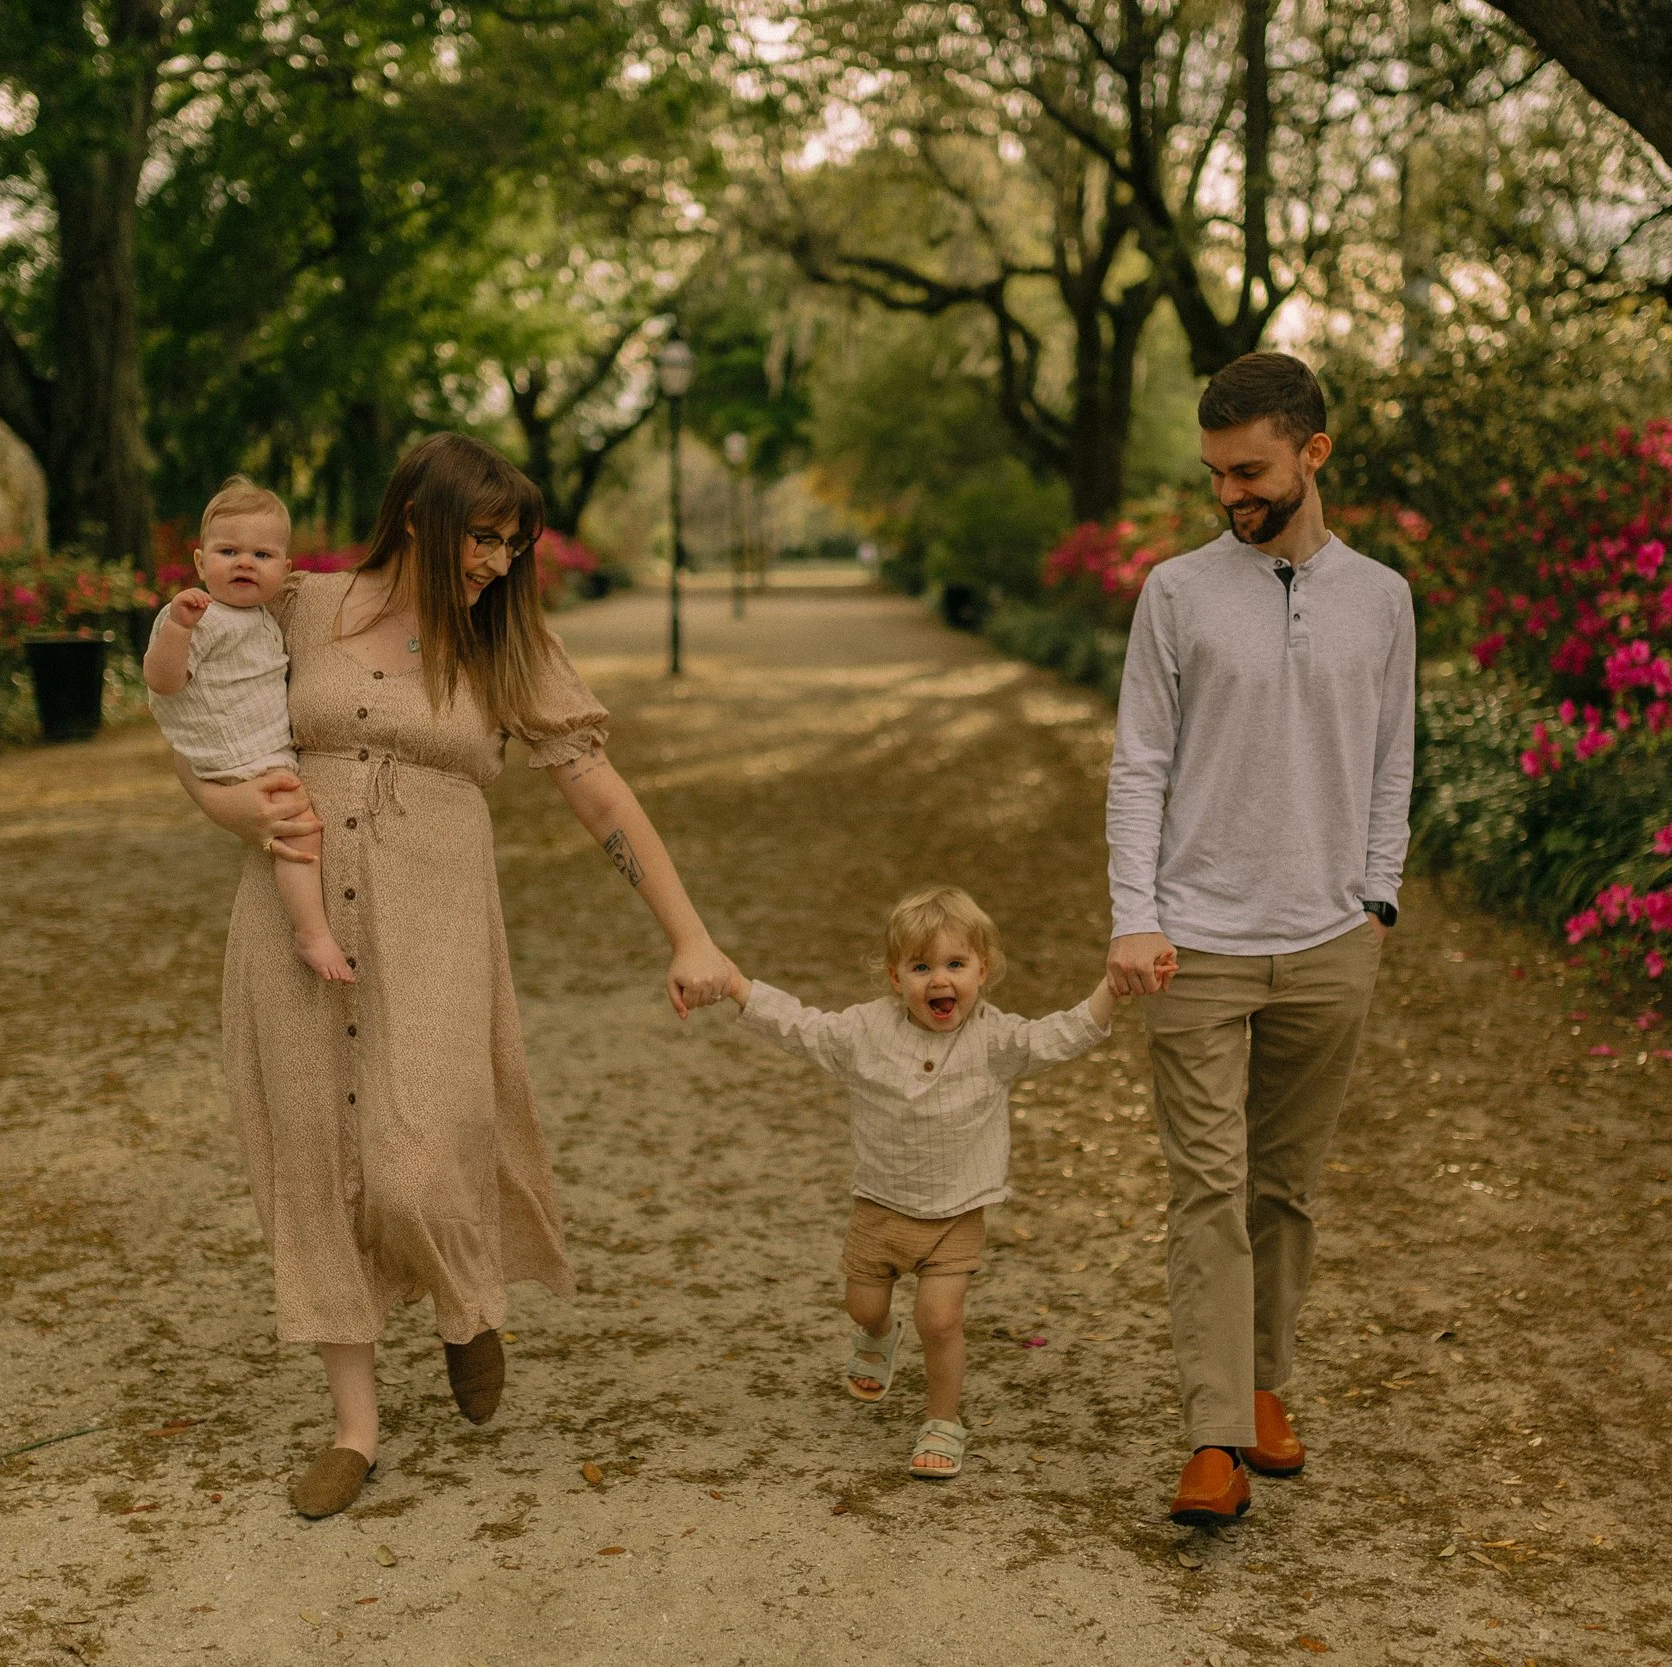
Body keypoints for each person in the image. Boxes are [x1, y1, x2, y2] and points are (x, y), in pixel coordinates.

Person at [177, 432, 736, 1519]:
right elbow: (207, 742)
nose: (497, 562)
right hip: (288, 916)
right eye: (483, 538)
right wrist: (238, 810)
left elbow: (600, 793)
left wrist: (689, 933)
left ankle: (464, 1302)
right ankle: (354, 1426)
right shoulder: (298, 608)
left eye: (512, 545)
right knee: (313, 1159)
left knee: (417, 1153)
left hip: (434, 922)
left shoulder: (502, 644)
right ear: (423, 519)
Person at [1103, 351, 1415, 1528]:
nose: (1229, 491)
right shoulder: (1176, 592)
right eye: (1215, 471)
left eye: (1250, 469)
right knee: (1207, 1186)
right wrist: (1135, 912)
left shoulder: (1381, 598)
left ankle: (1267, 1382)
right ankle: (1211, 1433)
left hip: (1332, 938)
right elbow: (1139, 761)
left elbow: (1393, 758)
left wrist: (1376, 897)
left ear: (1311, 454)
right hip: (1196, 942)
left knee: (1284, 1188)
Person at [722, 886, 1118, 1479]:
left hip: (955, 1214)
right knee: (861, 1307)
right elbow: (800, 1026)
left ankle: (942, 1420)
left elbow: (1058, 1034)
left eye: (956, 964)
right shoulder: (862, 1032)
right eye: (922, 966)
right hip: (879, 1207)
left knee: (941, 1320)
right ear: (894, 976)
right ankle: (880, 1334)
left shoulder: (995, 1039)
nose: (940, 979)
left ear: (983, 970)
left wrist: (1113, 986)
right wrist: (736, 987)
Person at [144, 476, 354, 983]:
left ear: (285, 570)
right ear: (200, 563)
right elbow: (163, 681)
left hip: (258, 743)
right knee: (298, 826)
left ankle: (310, 927)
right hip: (234, 751)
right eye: (228, 550)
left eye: (261, 555)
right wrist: (178, 629)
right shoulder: (199, 616)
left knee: (293, 821)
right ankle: (311, 931)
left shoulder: (263, 617)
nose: (244, 562)